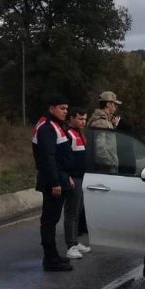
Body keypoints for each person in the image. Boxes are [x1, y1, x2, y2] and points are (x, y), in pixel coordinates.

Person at [32, 95, 75, 272]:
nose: (65, 111)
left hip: (60, 176)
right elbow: (48, 158)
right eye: (62, 108)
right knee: (49, 221)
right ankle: (50, 259)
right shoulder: (47, 128)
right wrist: (56, 182)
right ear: (51, 109)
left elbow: (60, 156)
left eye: (66, 108)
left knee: (53, 219)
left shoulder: (55, 125)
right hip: (52, 180)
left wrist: (67, 177)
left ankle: (53, 256)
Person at [64, 107, 91, 258]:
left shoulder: (80, 133)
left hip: (82, 176)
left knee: (79, 210)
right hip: (73, 177)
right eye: (80, 119)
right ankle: (70, 245)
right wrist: (67, 176)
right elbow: (64, 157)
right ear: (72, 118)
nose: (83, 122)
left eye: (85, 119)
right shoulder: (68, 134)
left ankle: (75, 242)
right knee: (71, 212)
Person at [87, 91, 122, 173]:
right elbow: (100, 150)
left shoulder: (106, 120)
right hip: (106, 169)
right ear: (108, 104)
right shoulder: (101, 122)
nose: (116, 107)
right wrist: (112, 163)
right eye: (114, 104)